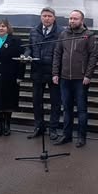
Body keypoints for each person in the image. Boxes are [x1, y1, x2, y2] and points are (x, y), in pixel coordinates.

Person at [52, 10, 97, 148]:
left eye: (75, 18)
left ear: (82, 21)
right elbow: (57, 54)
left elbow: (93, 56)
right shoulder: (63, 34)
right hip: (65, 78)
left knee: (82, 109)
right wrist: (55, 73)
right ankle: (67, 135)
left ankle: (81, 137)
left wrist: (88, 75)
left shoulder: (88, 35)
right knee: (67, 108)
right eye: (70, 18)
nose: (72, 21)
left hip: (80, 79)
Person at [25, 7, 62, 141]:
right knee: (37, 101)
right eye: (44, 16)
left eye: (49, 16)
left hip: (53, 72)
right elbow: (29, 47)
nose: (46, 18)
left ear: (54, 18)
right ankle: (39, 127)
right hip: (37, 71)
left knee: (55, 102)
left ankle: (53, 128)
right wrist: (27, 55)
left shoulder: (61, 32)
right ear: (40, 17)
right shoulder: (34, 31)